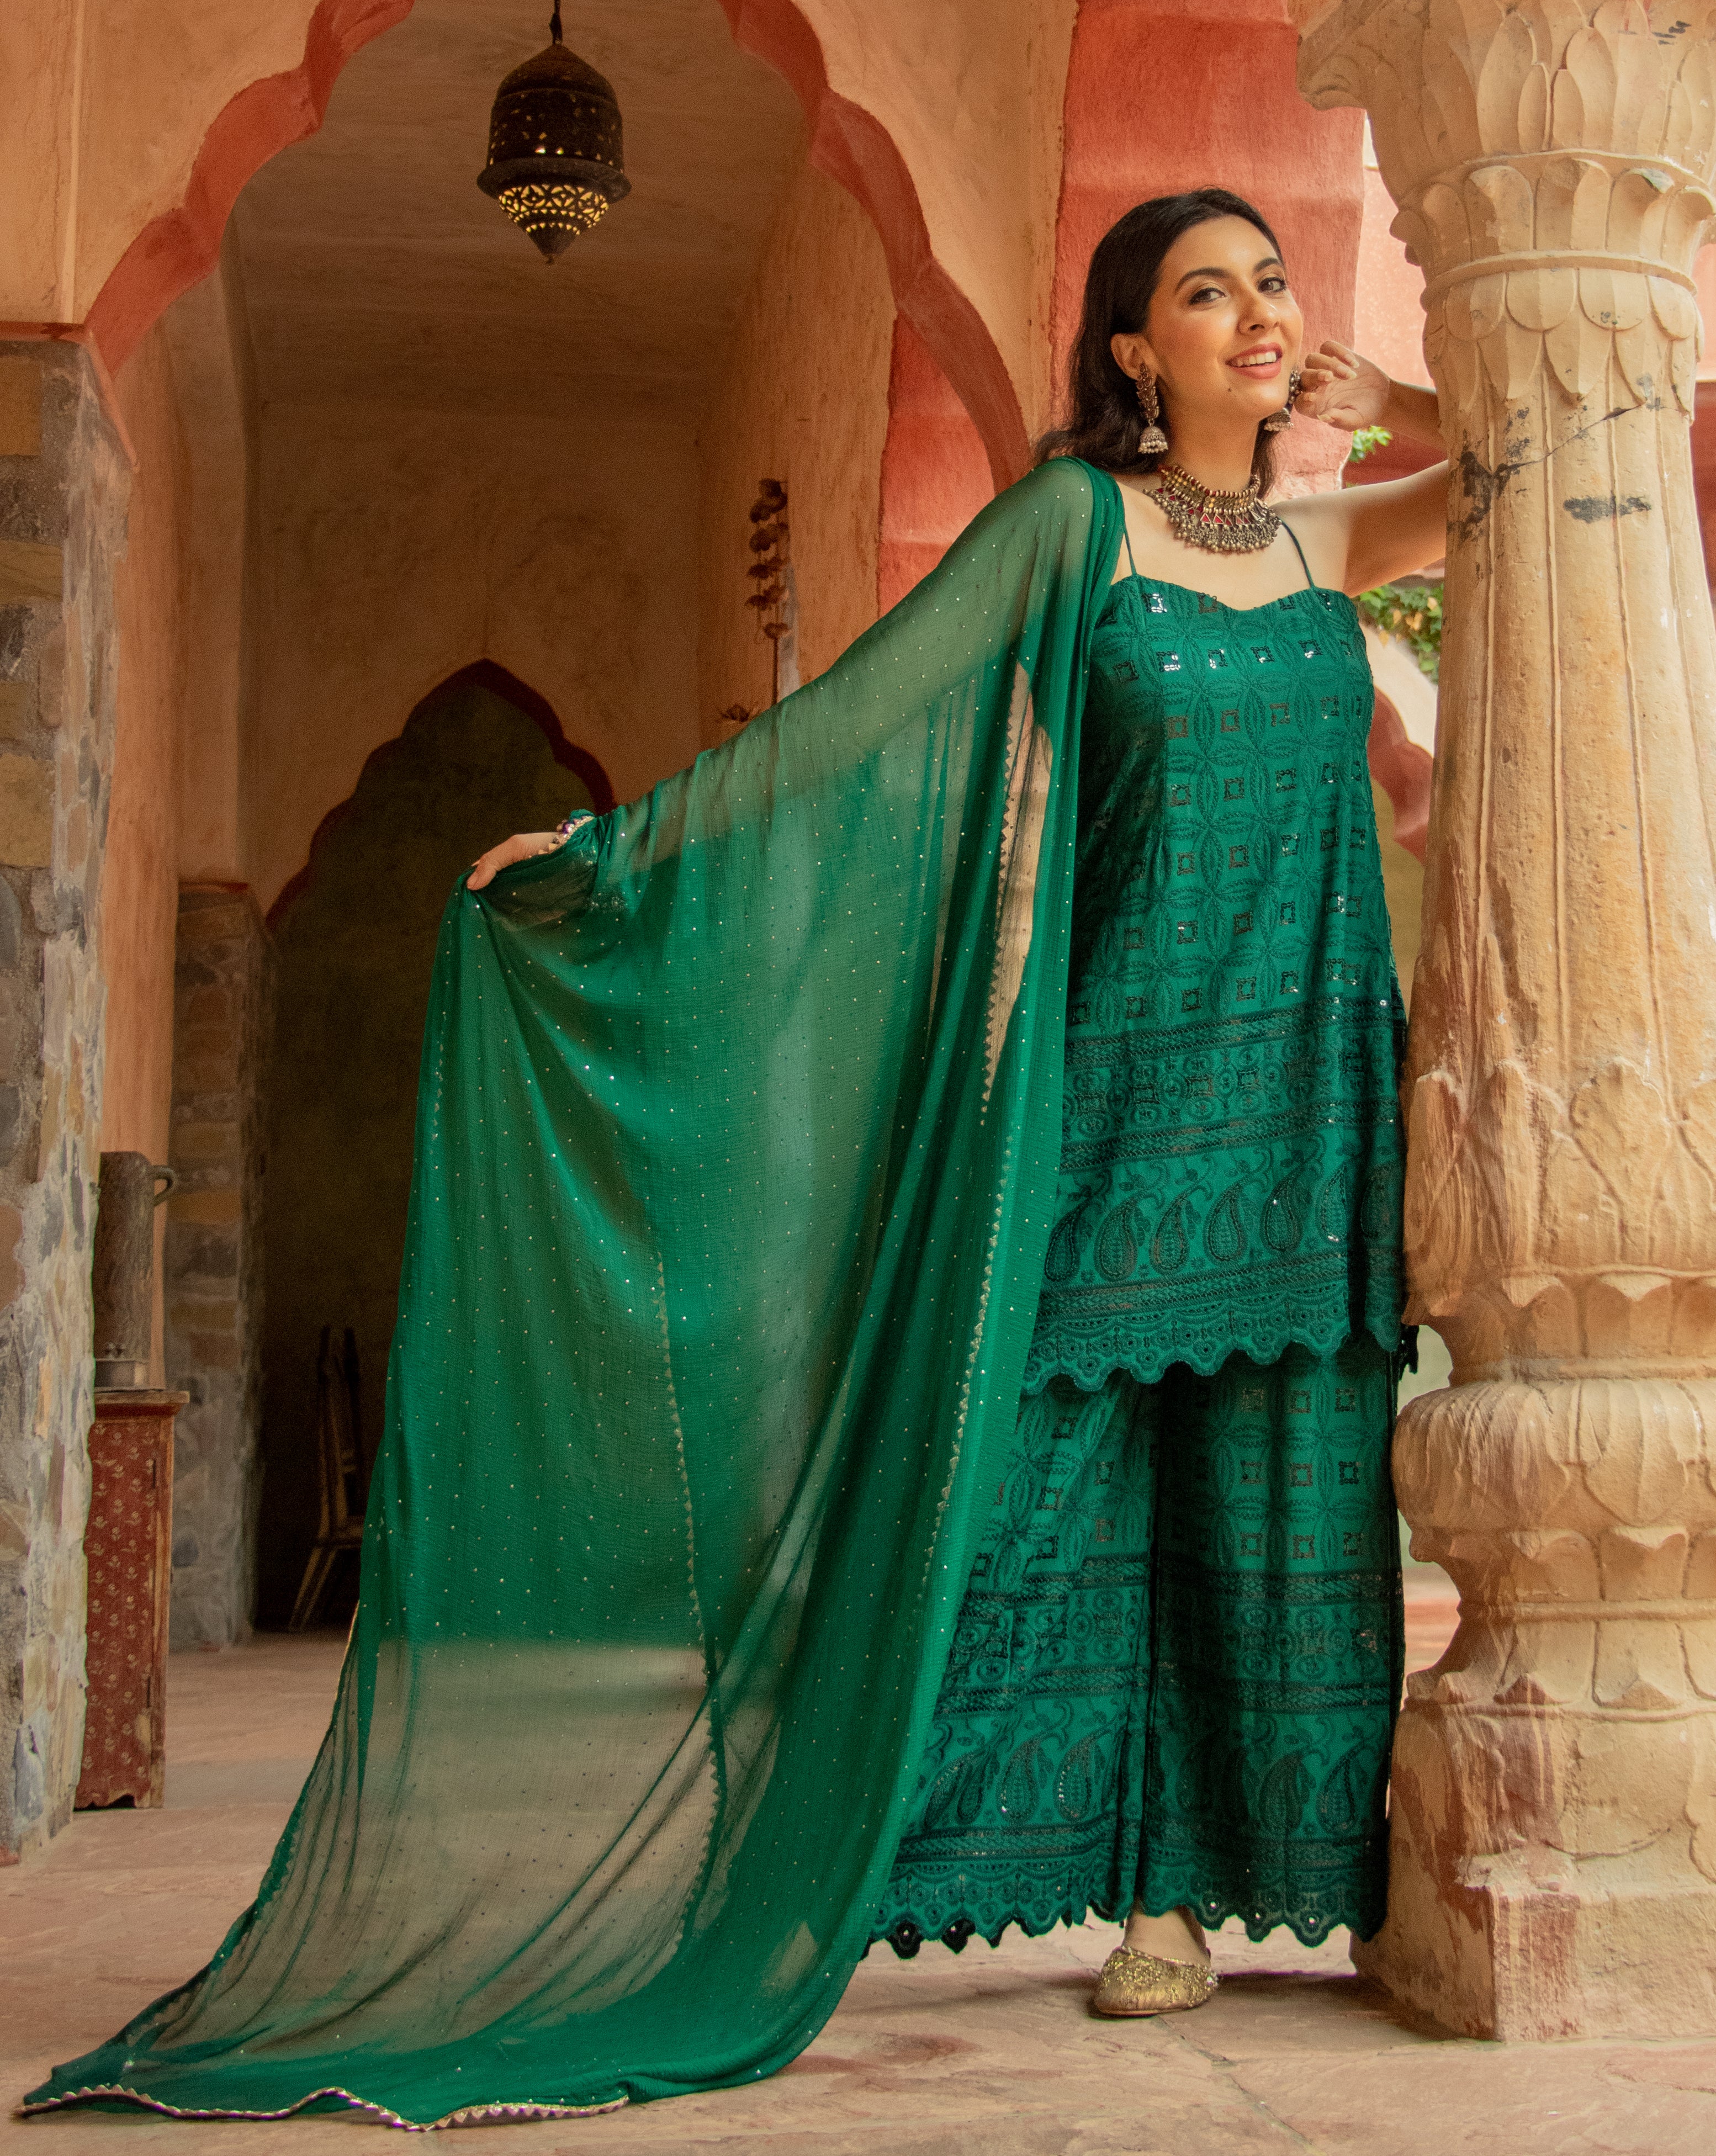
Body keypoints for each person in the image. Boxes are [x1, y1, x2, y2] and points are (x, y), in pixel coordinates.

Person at [28, 189, 1447, 2128]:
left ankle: (1203, 1886)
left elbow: (1524, 485)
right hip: (1118, 1085)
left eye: (1272, 285)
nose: (1257, 317)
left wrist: (1409, 392)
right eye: (1209, 294)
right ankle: (989, 1858)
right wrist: (621, 855)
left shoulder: (1321, 544)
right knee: (1055, 1499)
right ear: (1133, 350)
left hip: (1304, 1086)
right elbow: (865, 719)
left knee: (1274, 1479)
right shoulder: (1072, 531)